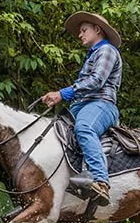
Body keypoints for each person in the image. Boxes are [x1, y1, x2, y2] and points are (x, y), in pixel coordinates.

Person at [39, 10, 123, 206]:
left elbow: (96, 81)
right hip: (83, 106)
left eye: (84, 30)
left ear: (97, 29)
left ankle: (101, 181)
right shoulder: (93, 54)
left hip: (102, 105)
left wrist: (62, 94)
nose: (80, 35)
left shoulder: (107, 51)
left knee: (84, 128)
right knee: (52, 133)